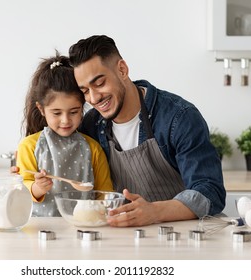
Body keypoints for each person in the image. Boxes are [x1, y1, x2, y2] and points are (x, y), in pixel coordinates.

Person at [68, 35, 226, 227]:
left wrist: (155, 211)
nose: (93, 98)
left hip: (180, 237)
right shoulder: (92, 124)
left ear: (122, 70)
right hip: (122, 237)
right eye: (85, 91)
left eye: (100, 83)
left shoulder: (179, 117)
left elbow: (210, 191)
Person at [16, 52, 113, 217]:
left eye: (74, 112)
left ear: (83, 106)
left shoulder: (93, 148)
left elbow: (105, 193)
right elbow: (21, 188)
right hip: (41, 230)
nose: (65, 120)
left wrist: (104, 209)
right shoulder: (29, 146)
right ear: (41, 109)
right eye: (56, 113)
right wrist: (37, 188)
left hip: (83, 228)